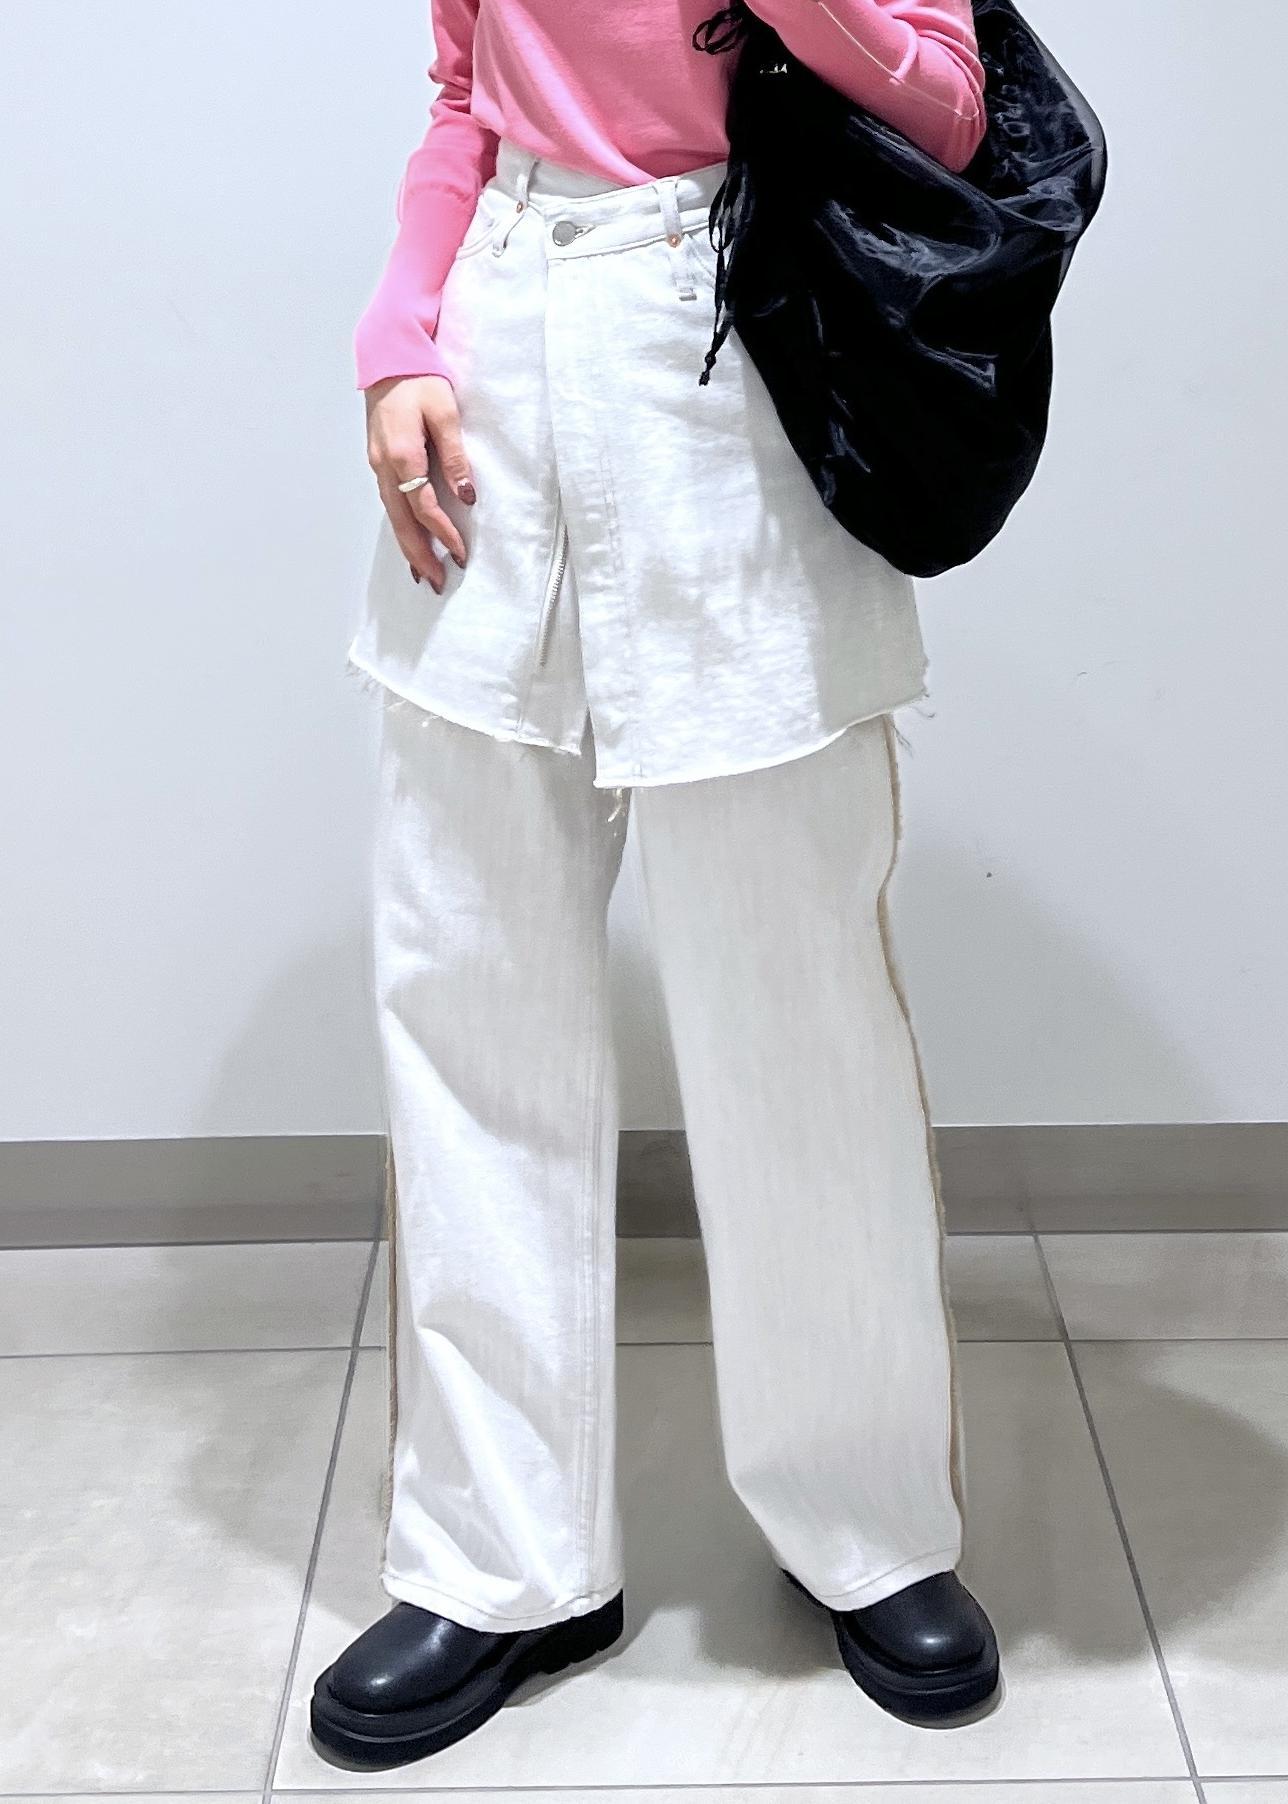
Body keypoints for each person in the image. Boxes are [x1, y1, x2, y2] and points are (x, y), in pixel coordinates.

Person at [310, 0, 1001, 1769]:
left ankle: (864, 1520)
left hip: (731, 353)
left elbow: (945, 107)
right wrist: (400, 333)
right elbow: (465, 93)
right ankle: (501, 1561)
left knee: (798, 1018)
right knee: (471, 998)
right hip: (494, 367)